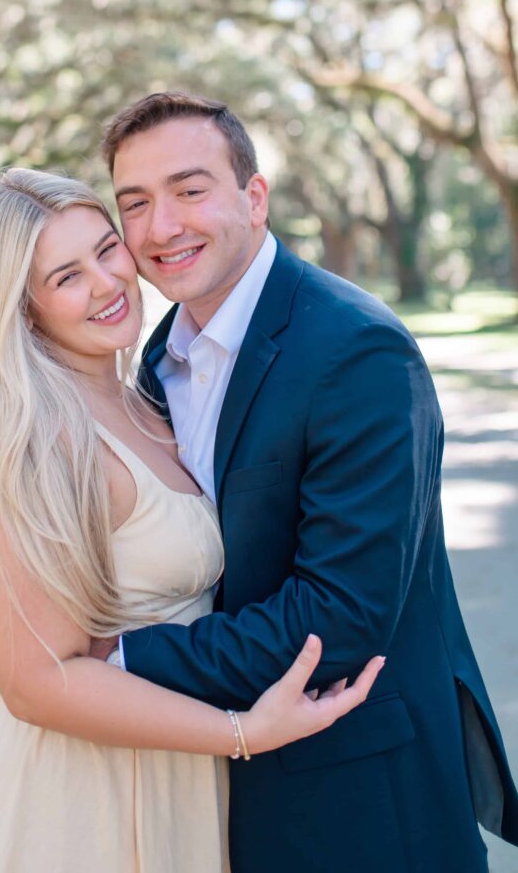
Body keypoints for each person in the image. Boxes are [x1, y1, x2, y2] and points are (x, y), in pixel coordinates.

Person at [0, 168, 383, 873]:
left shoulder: (148, 392)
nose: (105, 283)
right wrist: (243, 731)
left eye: (106, 249)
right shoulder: (45, 439)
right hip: (57, 799)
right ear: (24, 308)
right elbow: (36, 681)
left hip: (157, 772)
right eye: (66, 276)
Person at [98, 91, 518, 873]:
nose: (161, 227)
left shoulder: (354, 350)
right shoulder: (156, 357)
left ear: (253, 199)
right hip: (206, 786)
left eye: (190, 191)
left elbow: (338, 614)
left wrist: (112, 664)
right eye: (135, 204)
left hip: (357, 798)